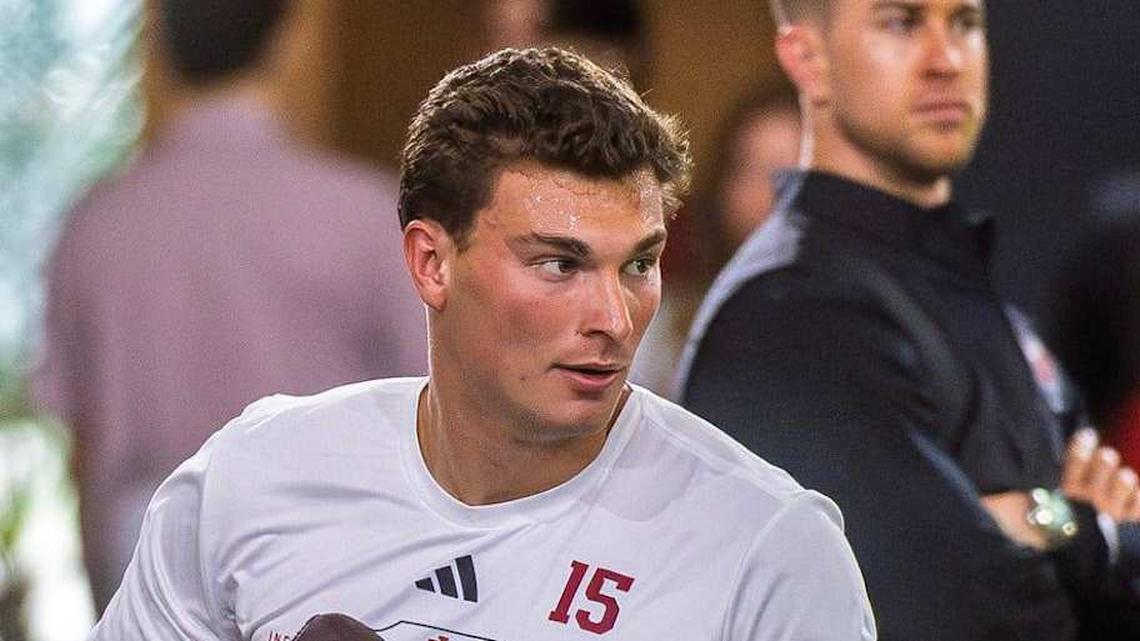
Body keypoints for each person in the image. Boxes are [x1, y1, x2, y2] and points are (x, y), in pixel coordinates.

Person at [90, 47, 876, 640]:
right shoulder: (253, 476)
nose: (613, 315)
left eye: (638, 263)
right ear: (432, 262)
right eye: (558, 263)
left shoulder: (770, 548)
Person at [678, 1, 1140, 640]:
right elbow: (958, 617)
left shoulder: (968, 295)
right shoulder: (792, 311)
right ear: (807, 58)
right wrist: (1085, 525)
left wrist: (1042, 524)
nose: (946, 60)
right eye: (901, 23)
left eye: (965, 24)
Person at [33, 0, 426, 612]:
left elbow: (80, 448)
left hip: (136, 559)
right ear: (290, 42)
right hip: (329, 561)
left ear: (158, 45)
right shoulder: (363, 217)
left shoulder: (96, 226)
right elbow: (434, 421)